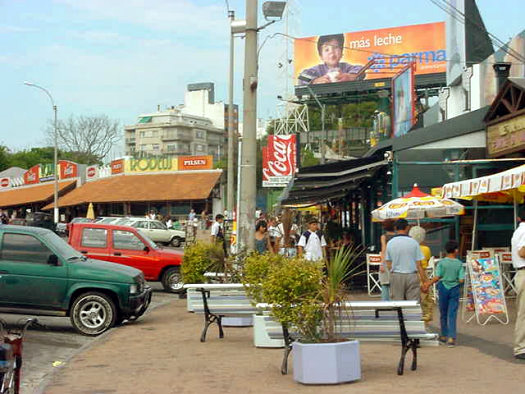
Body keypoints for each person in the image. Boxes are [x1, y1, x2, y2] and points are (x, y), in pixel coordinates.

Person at [423, 240, 464, 348]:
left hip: (443, 287)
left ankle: (444, 335)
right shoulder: (459, 263)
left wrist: (428, 284)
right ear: (456, 250)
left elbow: (437, 276)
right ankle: (452, 337)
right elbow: (461, 280)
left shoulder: (441, 263)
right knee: (452, 313)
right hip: (454, 288)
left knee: (443, 312)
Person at [385, 219, 426, 302]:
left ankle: (399, 315)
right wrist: (425, 282)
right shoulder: (414, 243)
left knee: (397, 303)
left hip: (396, 275)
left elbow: (388, 263)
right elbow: (419, 265)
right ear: (407, 228)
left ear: (395, 228)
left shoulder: (390, 243)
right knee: (413, 303)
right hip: (412, 275)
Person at [298, 34, 363, 85]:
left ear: (341, 52)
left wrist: (351, 76)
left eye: (335, 47)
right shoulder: (317, 70)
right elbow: (302, 76)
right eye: (326, 50)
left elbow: (361, 69)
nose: (331, 52)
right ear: (321, 56)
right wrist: (315, 81)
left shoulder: (346, 67)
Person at [409, 226, 433, 326]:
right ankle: (424, 323)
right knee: (425, 301)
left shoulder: (408, 248)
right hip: (423, 274)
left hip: (410, 275)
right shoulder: (426, 249)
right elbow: (426, 263)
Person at [511, 207, 525, 360]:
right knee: (523, 312)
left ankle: (521, 345)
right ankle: (521, 347)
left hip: (521, 272)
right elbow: (523, 252)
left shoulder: (518, 231)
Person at [379, 220, 396, 301]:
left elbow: (384, 250)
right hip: (396, 261)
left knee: (385, 284)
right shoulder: (397, 237)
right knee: (395, 284)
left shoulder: (384, 237)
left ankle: (385, 302)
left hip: (386, 261)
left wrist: (382, 264)